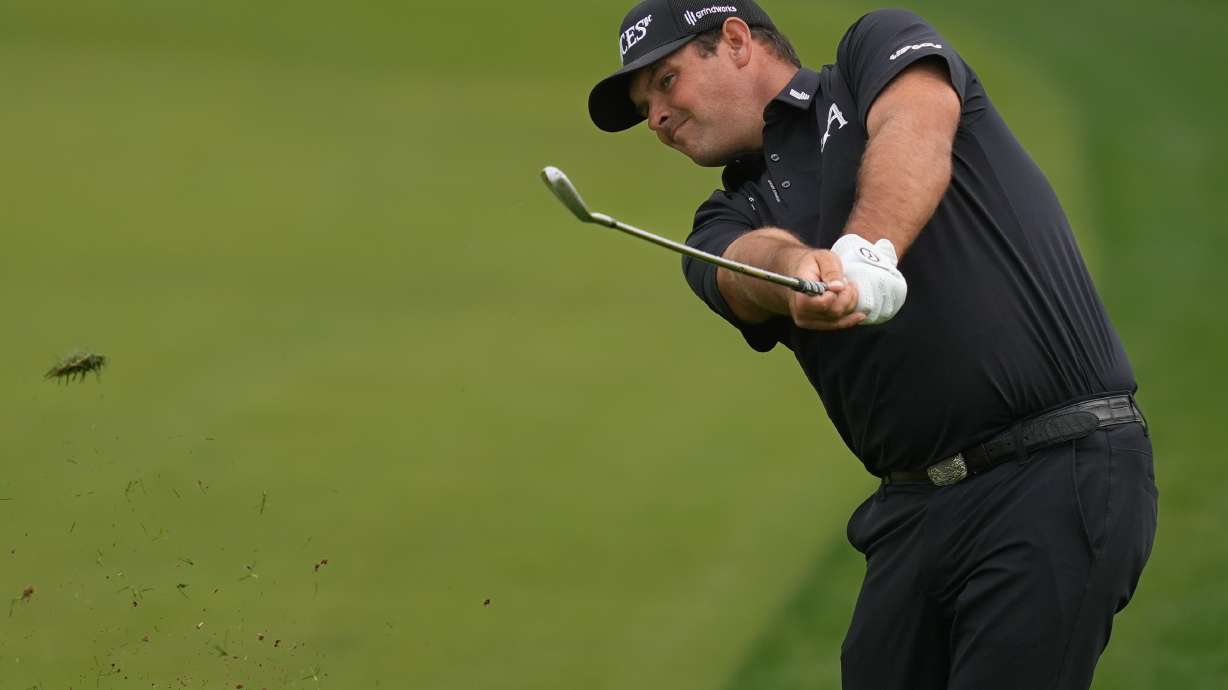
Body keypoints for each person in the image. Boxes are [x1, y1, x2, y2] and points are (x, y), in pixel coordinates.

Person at [584, 2, 1158, 689]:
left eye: (666, 81)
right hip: (914, 512)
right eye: (645, 105)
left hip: (1053, 467)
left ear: (735, 40)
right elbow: (741, 266)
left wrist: (866, 250)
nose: (656, 117)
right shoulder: (722, 218)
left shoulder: (871, 57)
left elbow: (915, 123)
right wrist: (795, 272)